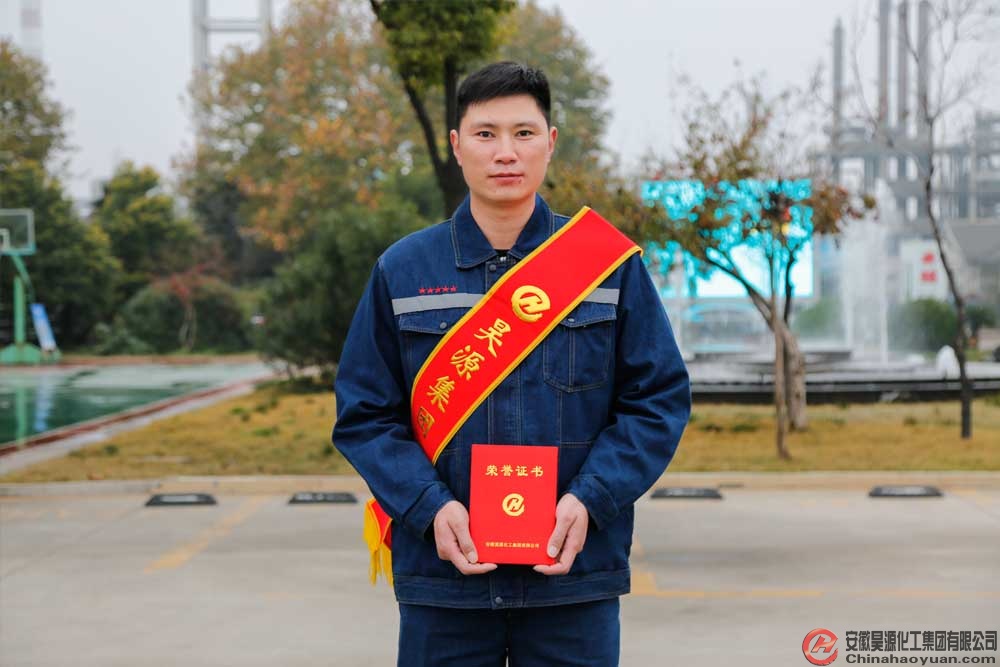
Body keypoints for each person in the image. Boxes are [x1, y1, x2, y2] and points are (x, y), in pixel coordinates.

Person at [333, 61, 690, 667]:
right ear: (456, 146)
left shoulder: (607, 268)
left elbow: (658, 401)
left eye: (524, 133)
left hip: (572, 575)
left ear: (550, 142)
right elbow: (365, 415)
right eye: (486, 133)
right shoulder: (403, 270)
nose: (506, 152)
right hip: (444, 579)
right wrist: (430, 507)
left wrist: (591, 498)